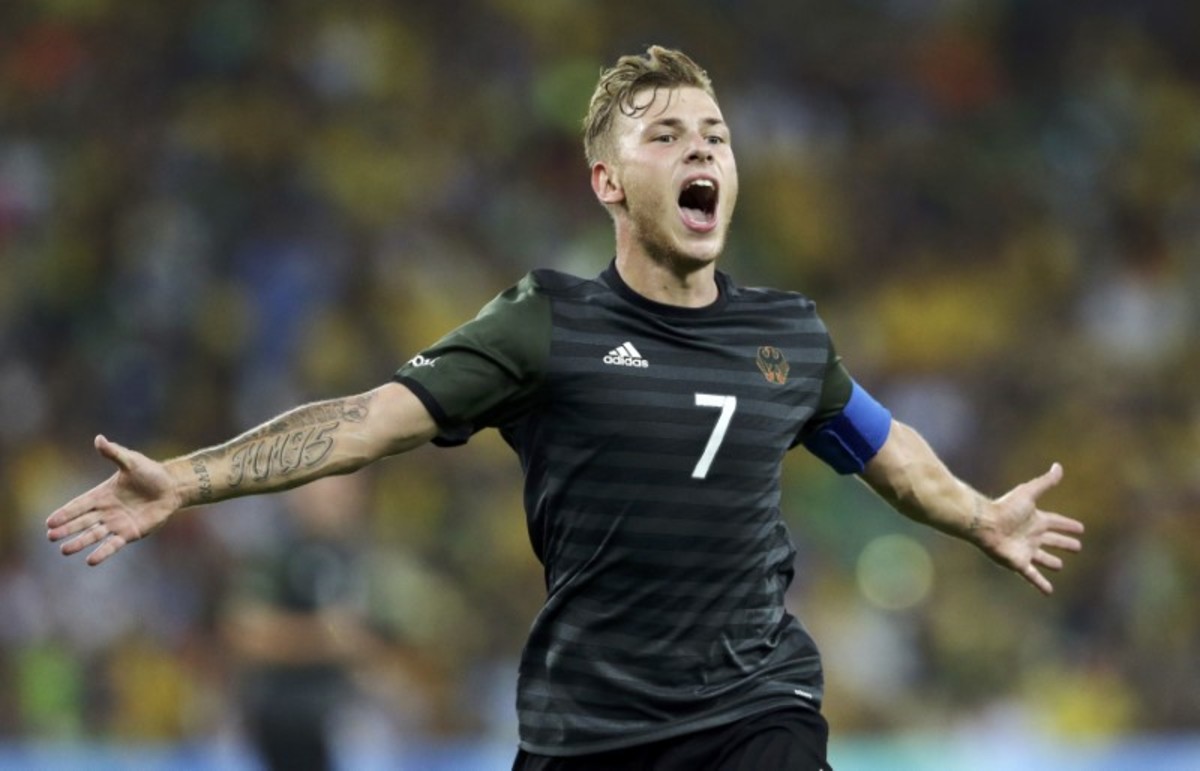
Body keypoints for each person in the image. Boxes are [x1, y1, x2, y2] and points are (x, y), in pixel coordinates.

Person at [46, 46, 1084, 771]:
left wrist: (979, 514)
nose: (702, 152)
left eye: (716, 136)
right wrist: (187, 478)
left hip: (755, 711)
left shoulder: (790, 336)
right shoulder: (546, 323)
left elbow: (884, 448)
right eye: (666, 135)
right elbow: (364, 422)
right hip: (587, 730)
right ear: (608, 181)